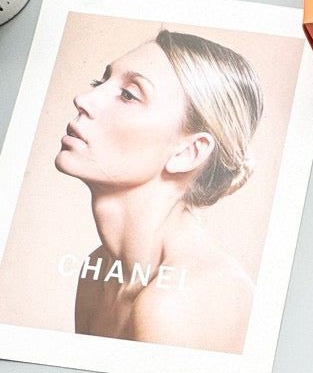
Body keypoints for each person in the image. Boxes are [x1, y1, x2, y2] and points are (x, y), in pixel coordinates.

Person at [56, 29, 264, 354]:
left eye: (128, 95)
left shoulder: (174, 306)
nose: (83, 99)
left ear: (189, 152)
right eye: (101, 82)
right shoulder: (98, 272)